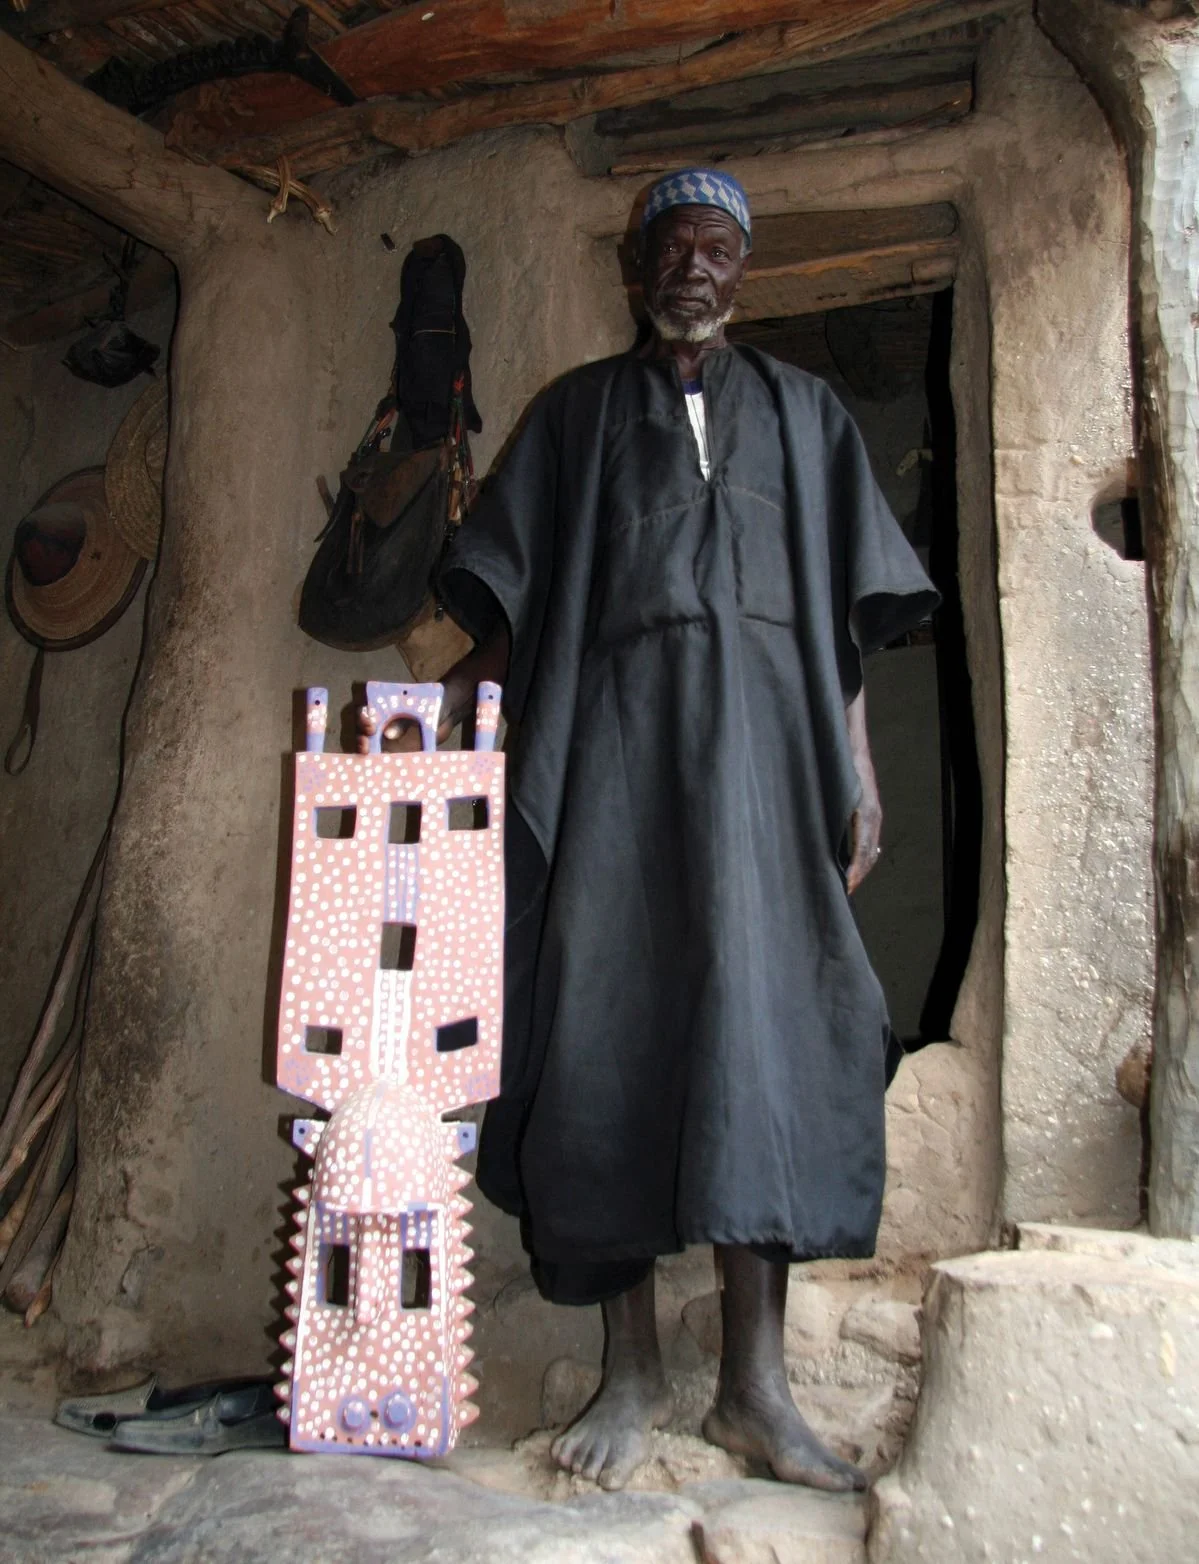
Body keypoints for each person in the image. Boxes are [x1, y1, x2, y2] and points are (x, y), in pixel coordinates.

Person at [364, 169, 937, 1492]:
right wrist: (452, 704)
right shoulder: (573, 418)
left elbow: (850, 622)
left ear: (743, 271)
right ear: (638, 272)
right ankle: (631, 1373)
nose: (692, 262)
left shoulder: (803, 415)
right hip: (610, 770)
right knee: (602, 1036)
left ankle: (756, 1390)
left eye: (716, 245)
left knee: (768, 1045)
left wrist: (854, 766)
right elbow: (517, 596)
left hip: (765, 780)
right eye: (671, 243)